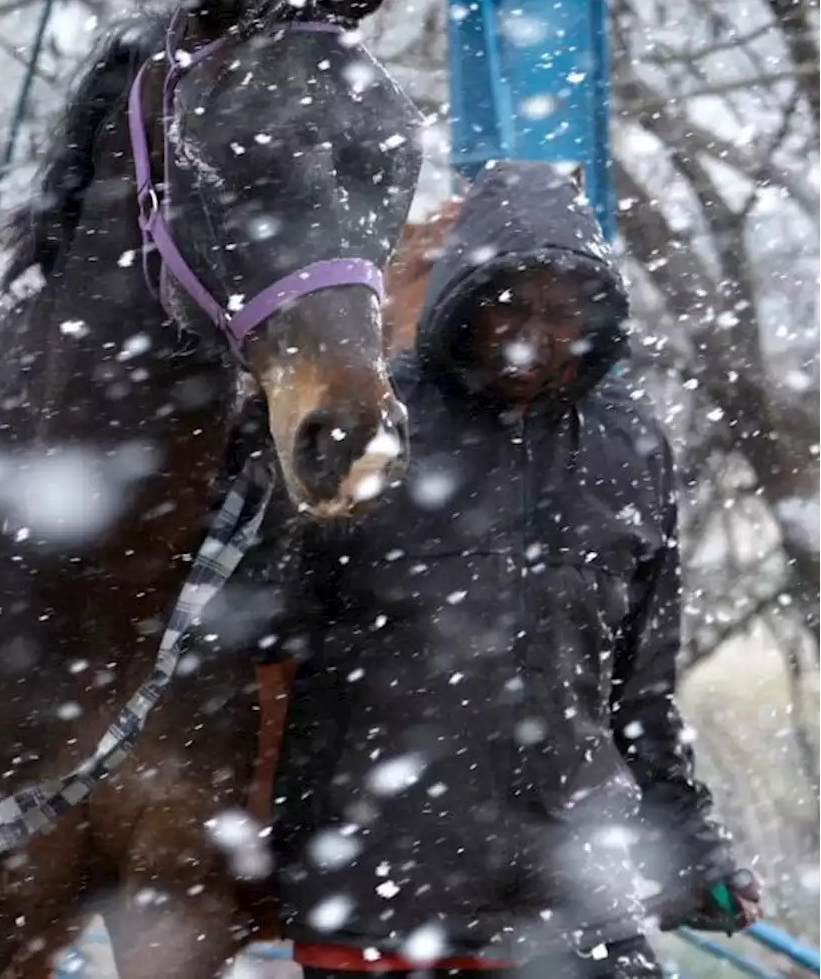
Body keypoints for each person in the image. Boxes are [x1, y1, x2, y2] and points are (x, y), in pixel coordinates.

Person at [236, 160, 763, 979]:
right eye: (507, 302)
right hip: (383, 893)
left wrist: (694, 847)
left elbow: (641, 690)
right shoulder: (375, 432)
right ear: (460, 302)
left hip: (572, 888)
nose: (532, 331)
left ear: (596, 317)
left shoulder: (632, 450)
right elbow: (259, 641)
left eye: (561, 310)